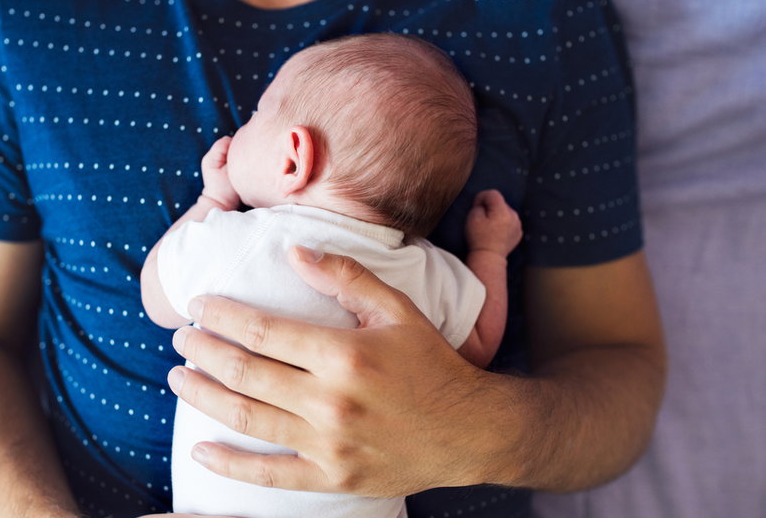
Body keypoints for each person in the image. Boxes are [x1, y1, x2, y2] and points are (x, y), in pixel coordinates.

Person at [0, 0, 665, 517]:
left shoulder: (540, 15)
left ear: (293, 158)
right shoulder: (24, 13)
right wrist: (489, 252)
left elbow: (616, 362)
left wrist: (473, 430)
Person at [140, 33, 522, 518]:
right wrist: (491, 252)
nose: (243, 127)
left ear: (293, 158)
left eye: (257, 115)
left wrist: (210, 202)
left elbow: (157, 301)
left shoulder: (235, 241)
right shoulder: (423, 272)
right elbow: (480, 345)